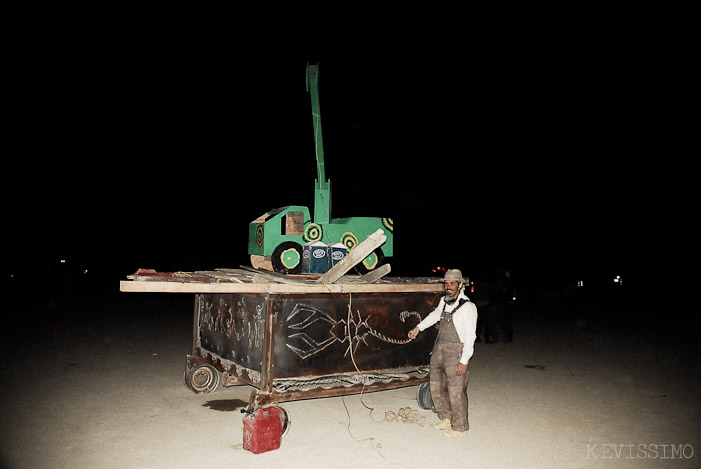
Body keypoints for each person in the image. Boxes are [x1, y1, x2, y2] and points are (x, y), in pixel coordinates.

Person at [408, 269, 478, 437]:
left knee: (456, 389)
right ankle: (445, 416)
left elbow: (470, 336)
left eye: (452, 283)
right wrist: (418, 327)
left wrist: (464, 360)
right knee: (436, 384)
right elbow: (434, 316)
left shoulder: (468, 307)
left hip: (456, 350)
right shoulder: (444, 302)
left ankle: (460, 426)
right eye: (446, 283)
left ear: (461, 285)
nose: (448, 286)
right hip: (440, 347)